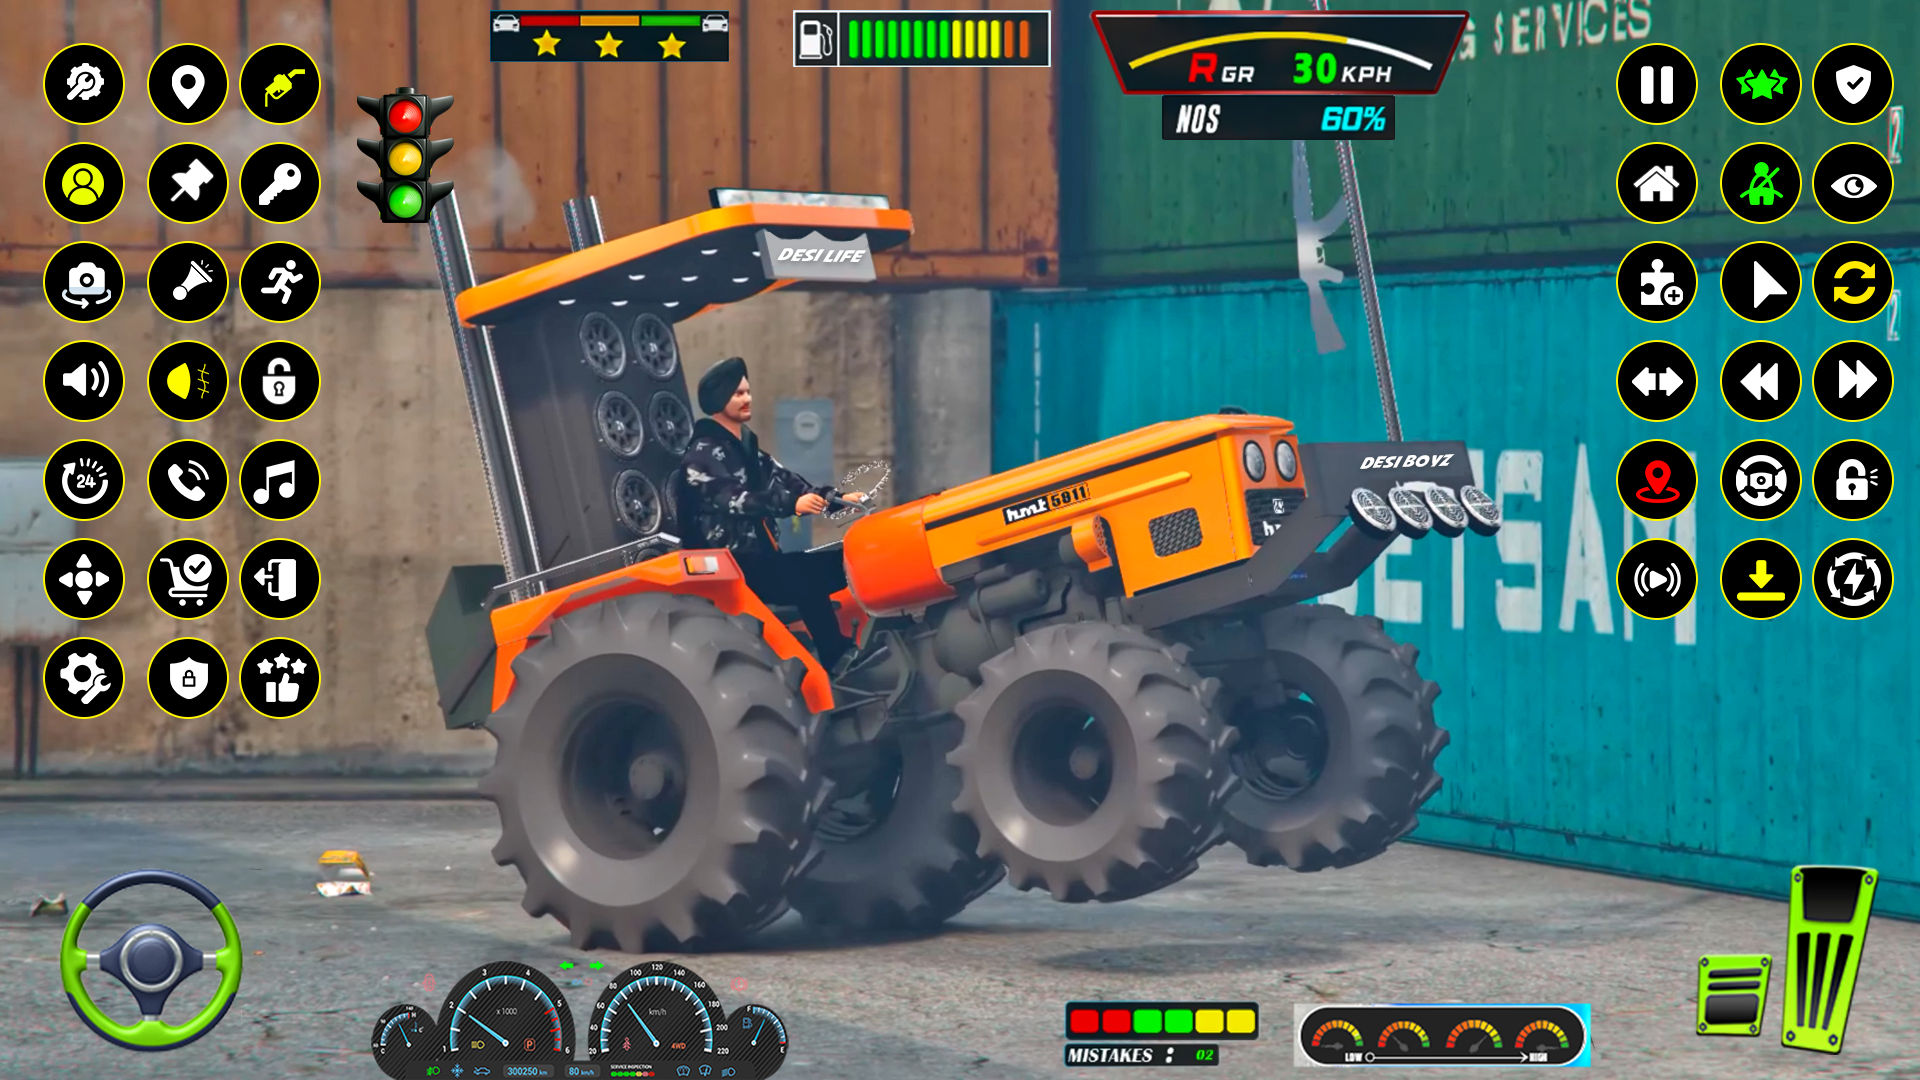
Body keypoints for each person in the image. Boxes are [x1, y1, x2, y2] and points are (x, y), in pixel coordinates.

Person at [678, 357, 866, 668]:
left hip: (762, 558)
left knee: (841, 561)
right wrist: (791, 505)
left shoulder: (749, 452)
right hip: (728, 567)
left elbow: (793, 483)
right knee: (805, 575)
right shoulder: (701, 456)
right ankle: (836, 657)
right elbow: (735, 500)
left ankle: (860, 643)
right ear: (718, 400)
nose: (747, 398)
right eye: (738, 393)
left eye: (747, 391)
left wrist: (838, 499)